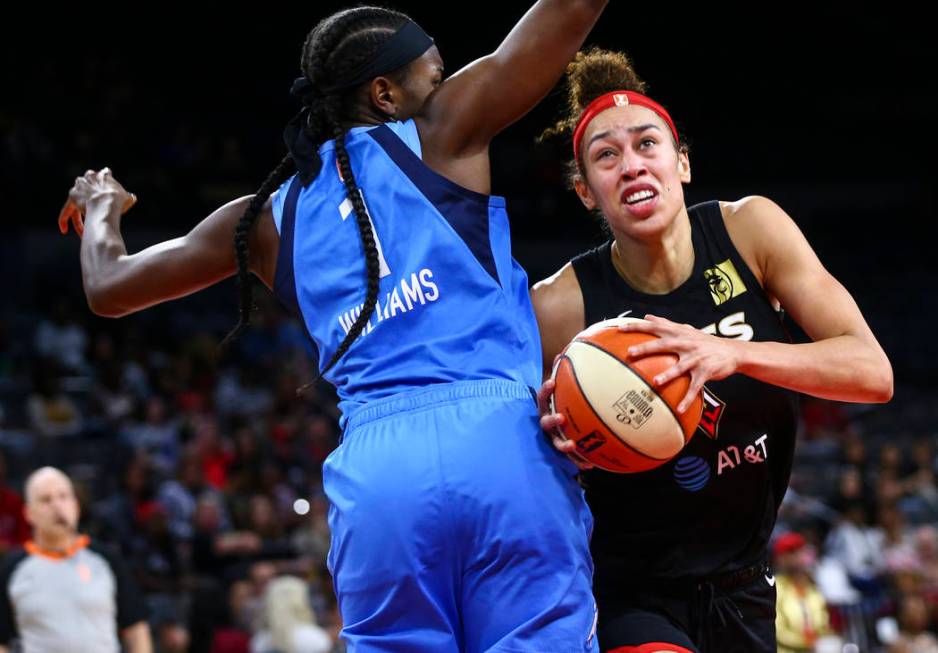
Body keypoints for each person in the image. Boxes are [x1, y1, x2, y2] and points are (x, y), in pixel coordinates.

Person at [57, 3, 608, 650]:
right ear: (386, 93)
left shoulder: (265, 217)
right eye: (436, 74)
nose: (447, 83)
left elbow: (109, 288)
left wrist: (100, 208)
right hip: (499, 443)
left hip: (378, 478)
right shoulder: (441, 131)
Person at [532, 48, 893, 652]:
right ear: (587, 193)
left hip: (746, 582)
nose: (631, 166)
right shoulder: (559, 304)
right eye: (606, 156)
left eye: (647, 145)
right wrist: (551, 442)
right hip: (628, 588)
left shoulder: (750, 230)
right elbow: (524, 448)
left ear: (683, 164)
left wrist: (734, 354)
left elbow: (871, 372)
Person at [0, 466, 151, 653]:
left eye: (63, 497)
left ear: (76, 506)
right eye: (46, 500)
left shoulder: (106, 559)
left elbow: (136, 629)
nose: (57, 506)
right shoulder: (12, 568)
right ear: (29, 513)